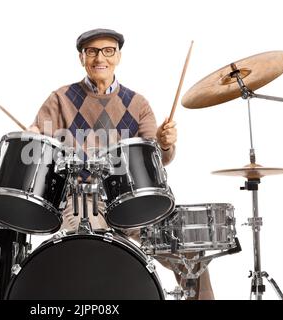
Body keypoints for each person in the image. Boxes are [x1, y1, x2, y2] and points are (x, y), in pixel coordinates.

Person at [28, 28, 213, 300]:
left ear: (118, 56)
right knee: (98, 247)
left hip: (132, 199)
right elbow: (39, 149)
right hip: (81, 198)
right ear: (82, 58)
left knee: (190, 249)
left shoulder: (138, 104)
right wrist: (35, 135)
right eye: (92, 51)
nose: (99, 57)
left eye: (108, 50)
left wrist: (165, 143)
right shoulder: (60, 99)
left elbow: (159, 159)